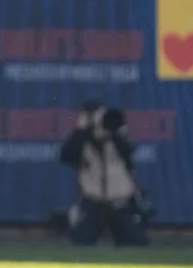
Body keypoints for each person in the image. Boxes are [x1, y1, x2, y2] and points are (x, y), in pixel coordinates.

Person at [59, 102, 148, 246]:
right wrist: (81, 130)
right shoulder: (82, 140)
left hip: (119, 201)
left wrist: (113, 132)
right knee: (80, 242)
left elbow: (129, 150)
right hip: (92, 200)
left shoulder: (117, 138)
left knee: (136, 243)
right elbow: (66, 156)